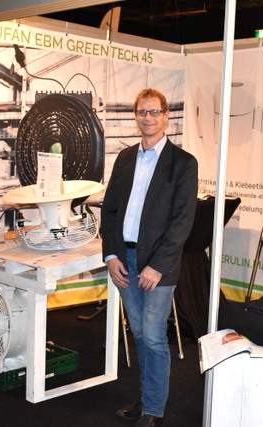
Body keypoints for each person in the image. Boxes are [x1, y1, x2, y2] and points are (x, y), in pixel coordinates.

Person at [101, 88, 198, 427]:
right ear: (136, 116)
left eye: (154, 112)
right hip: (124, 261)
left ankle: (154, 410)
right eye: (142, 112)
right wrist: (111, 254)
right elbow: (110, 210)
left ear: (166, 116)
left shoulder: (183, 163)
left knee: (154, 336)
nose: (148, 118)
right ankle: (145, 398)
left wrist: (156, 267)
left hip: (159, 266)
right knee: (140, 334)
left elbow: (182, 222)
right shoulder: (125, 158)